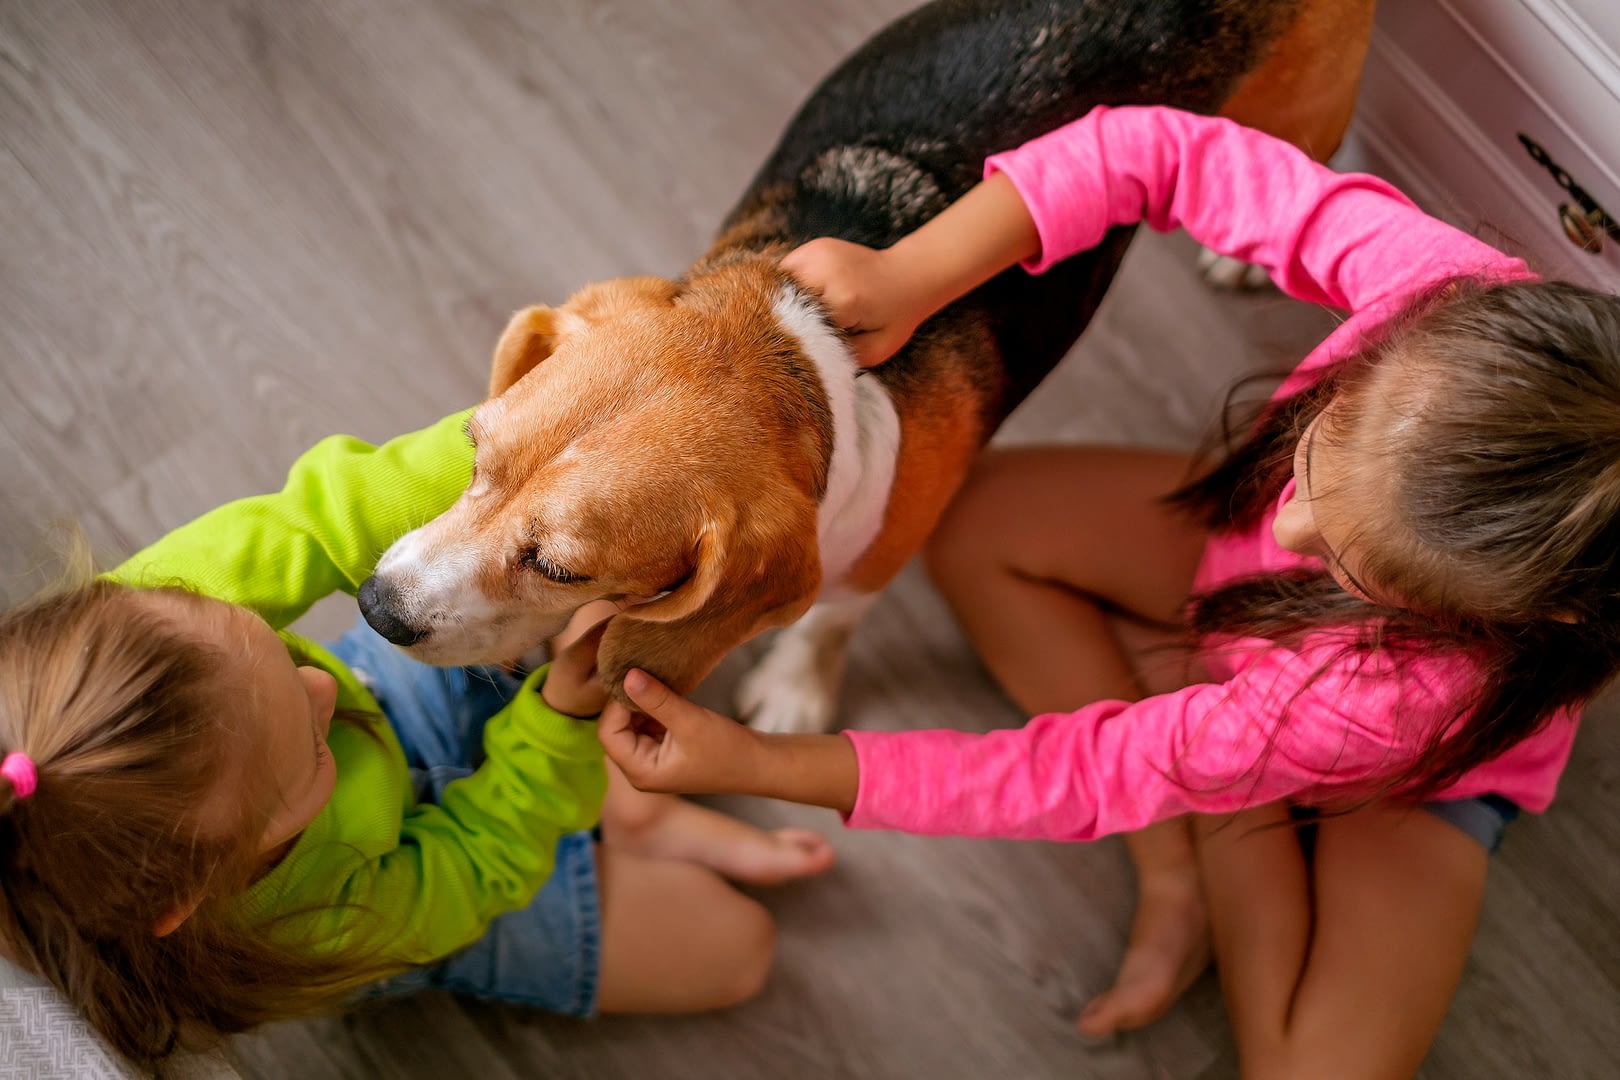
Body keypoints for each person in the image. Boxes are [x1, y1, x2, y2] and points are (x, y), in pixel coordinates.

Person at [597, 105, 1620, 1077]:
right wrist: (912, 275)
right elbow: (1158, 151)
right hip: (1239, 616)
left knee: (1302, 1067)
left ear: (1502, 607)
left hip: (1405, 771)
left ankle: (1219, 821)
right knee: (976, 523)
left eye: (1364, 566)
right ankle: (1196, 821)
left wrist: (759, 760)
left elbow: (1073, 776)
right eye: (1319, 457)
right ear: (1424, 335)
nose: (1293, 532)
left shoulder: (1401, 699)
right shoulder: (1443, 289)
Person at [0, 408, 833, 1066]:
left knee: (590, 574)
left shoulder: (132, 636)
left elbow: (324, 517)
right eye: (310, 744)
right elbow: (476, 860)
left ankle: (619, 805)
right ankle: (603, 802)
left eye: (283, 655)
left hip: (390, 717)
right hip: (415, 884)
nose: (324, 682)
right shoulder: (307, 925)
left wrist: (511, 451)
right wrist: (561, 724)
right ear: (198, 888)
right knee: (737, 949)